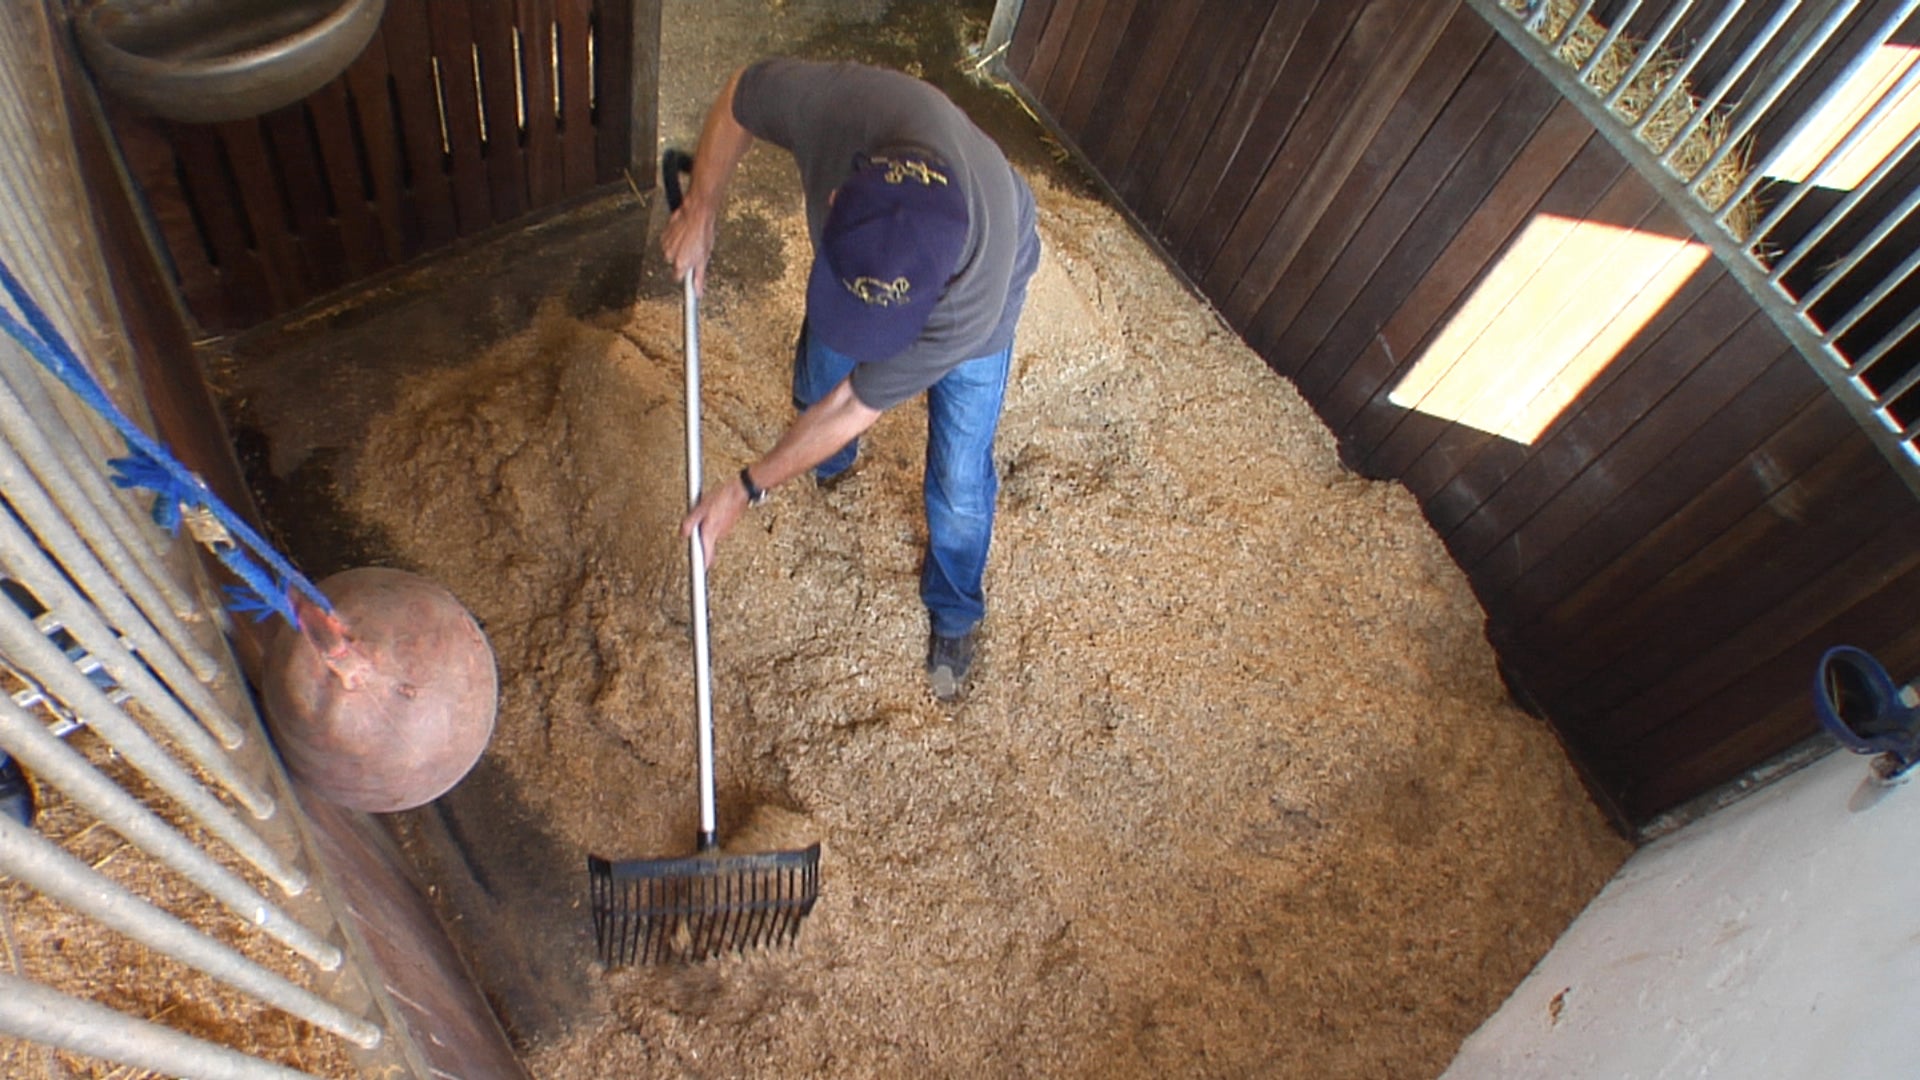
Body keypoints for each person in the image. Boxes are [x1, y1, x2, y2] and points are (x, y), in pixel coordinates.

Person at [662, 57, 1041, 701]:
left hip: (991, 299)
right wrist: (702, 205)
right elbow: (739, 96)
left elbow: (854, 402)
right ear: (839, 196)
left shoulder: (968, 297)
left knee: (958, 470)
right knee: (823, 367)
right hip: (876, 259)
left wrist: (745, 488)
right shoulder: (834, 108)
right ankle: (829, 466)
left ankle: (954, 611)